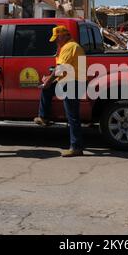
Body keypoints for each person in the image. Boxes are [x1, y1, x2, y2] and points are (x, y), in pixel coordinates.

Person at [34, 26, 86, 158]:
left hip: (72, 83)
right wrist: (49, 80)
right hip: (69, 80)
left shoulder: (69, 47)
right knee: (47, 89)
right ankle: (43, 117)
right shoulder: (69, 46)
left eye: (57, 39)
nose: (56, 41)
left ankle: (76, 147)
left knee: (72, 116)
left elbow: (61, 68)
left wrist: (49, 80)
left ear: (63, 36)